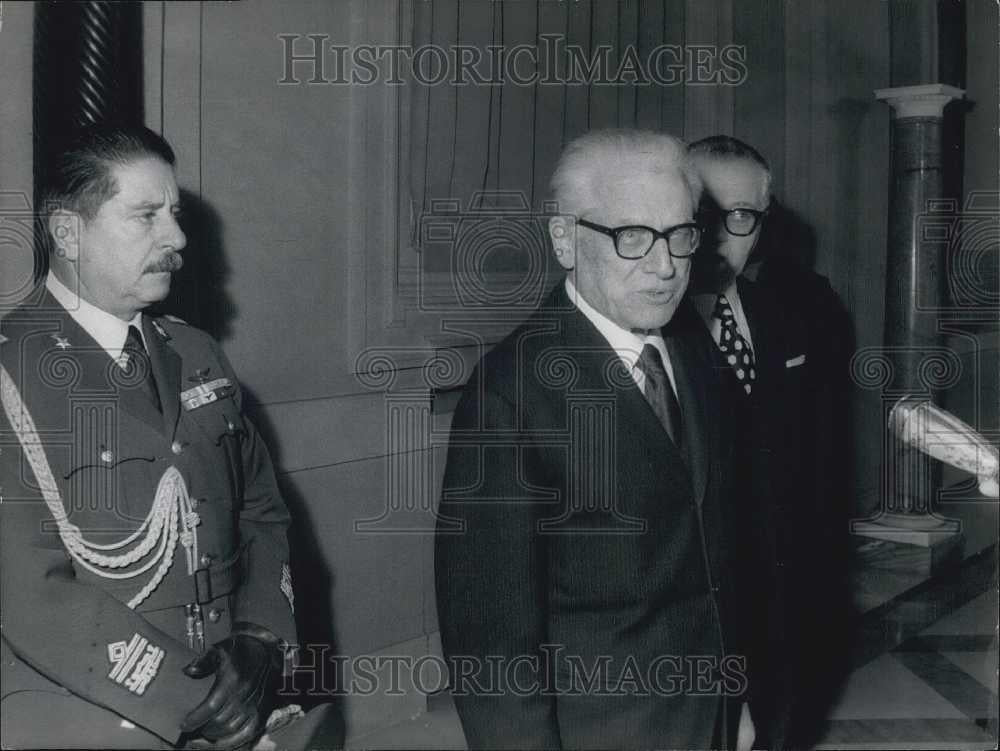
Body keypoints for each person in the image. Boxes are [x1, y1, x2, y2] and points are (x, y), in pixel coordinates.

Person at [435, 129, 756, 750]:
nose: (664, 267)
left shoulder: (692, 353)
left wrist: (733, 703)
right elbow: (491, 643)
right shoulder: (510, 392)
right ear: (564, 240)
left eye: (680, 235)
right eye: (632, 236)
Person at [0, 123, 300, 749]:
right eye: (146, 216)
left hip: (231, 691)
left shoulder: (195, 352)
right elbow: (28, 594)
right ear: (67, 233)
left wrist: (263, 637)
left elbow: (261, 511)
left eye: (175, 213)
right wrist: (199, 700)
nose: (178, 237)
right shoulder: (11, 372)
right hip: (90, 713)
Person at [687, 135, 853, 749]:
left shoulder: (793, 313)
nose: (720, 235)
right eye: (704, 214)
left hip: (782, 592)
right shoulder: (647, 330)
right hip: (692, 601)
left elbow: (820, 457)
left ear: (763, 221)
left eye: (741, 216)